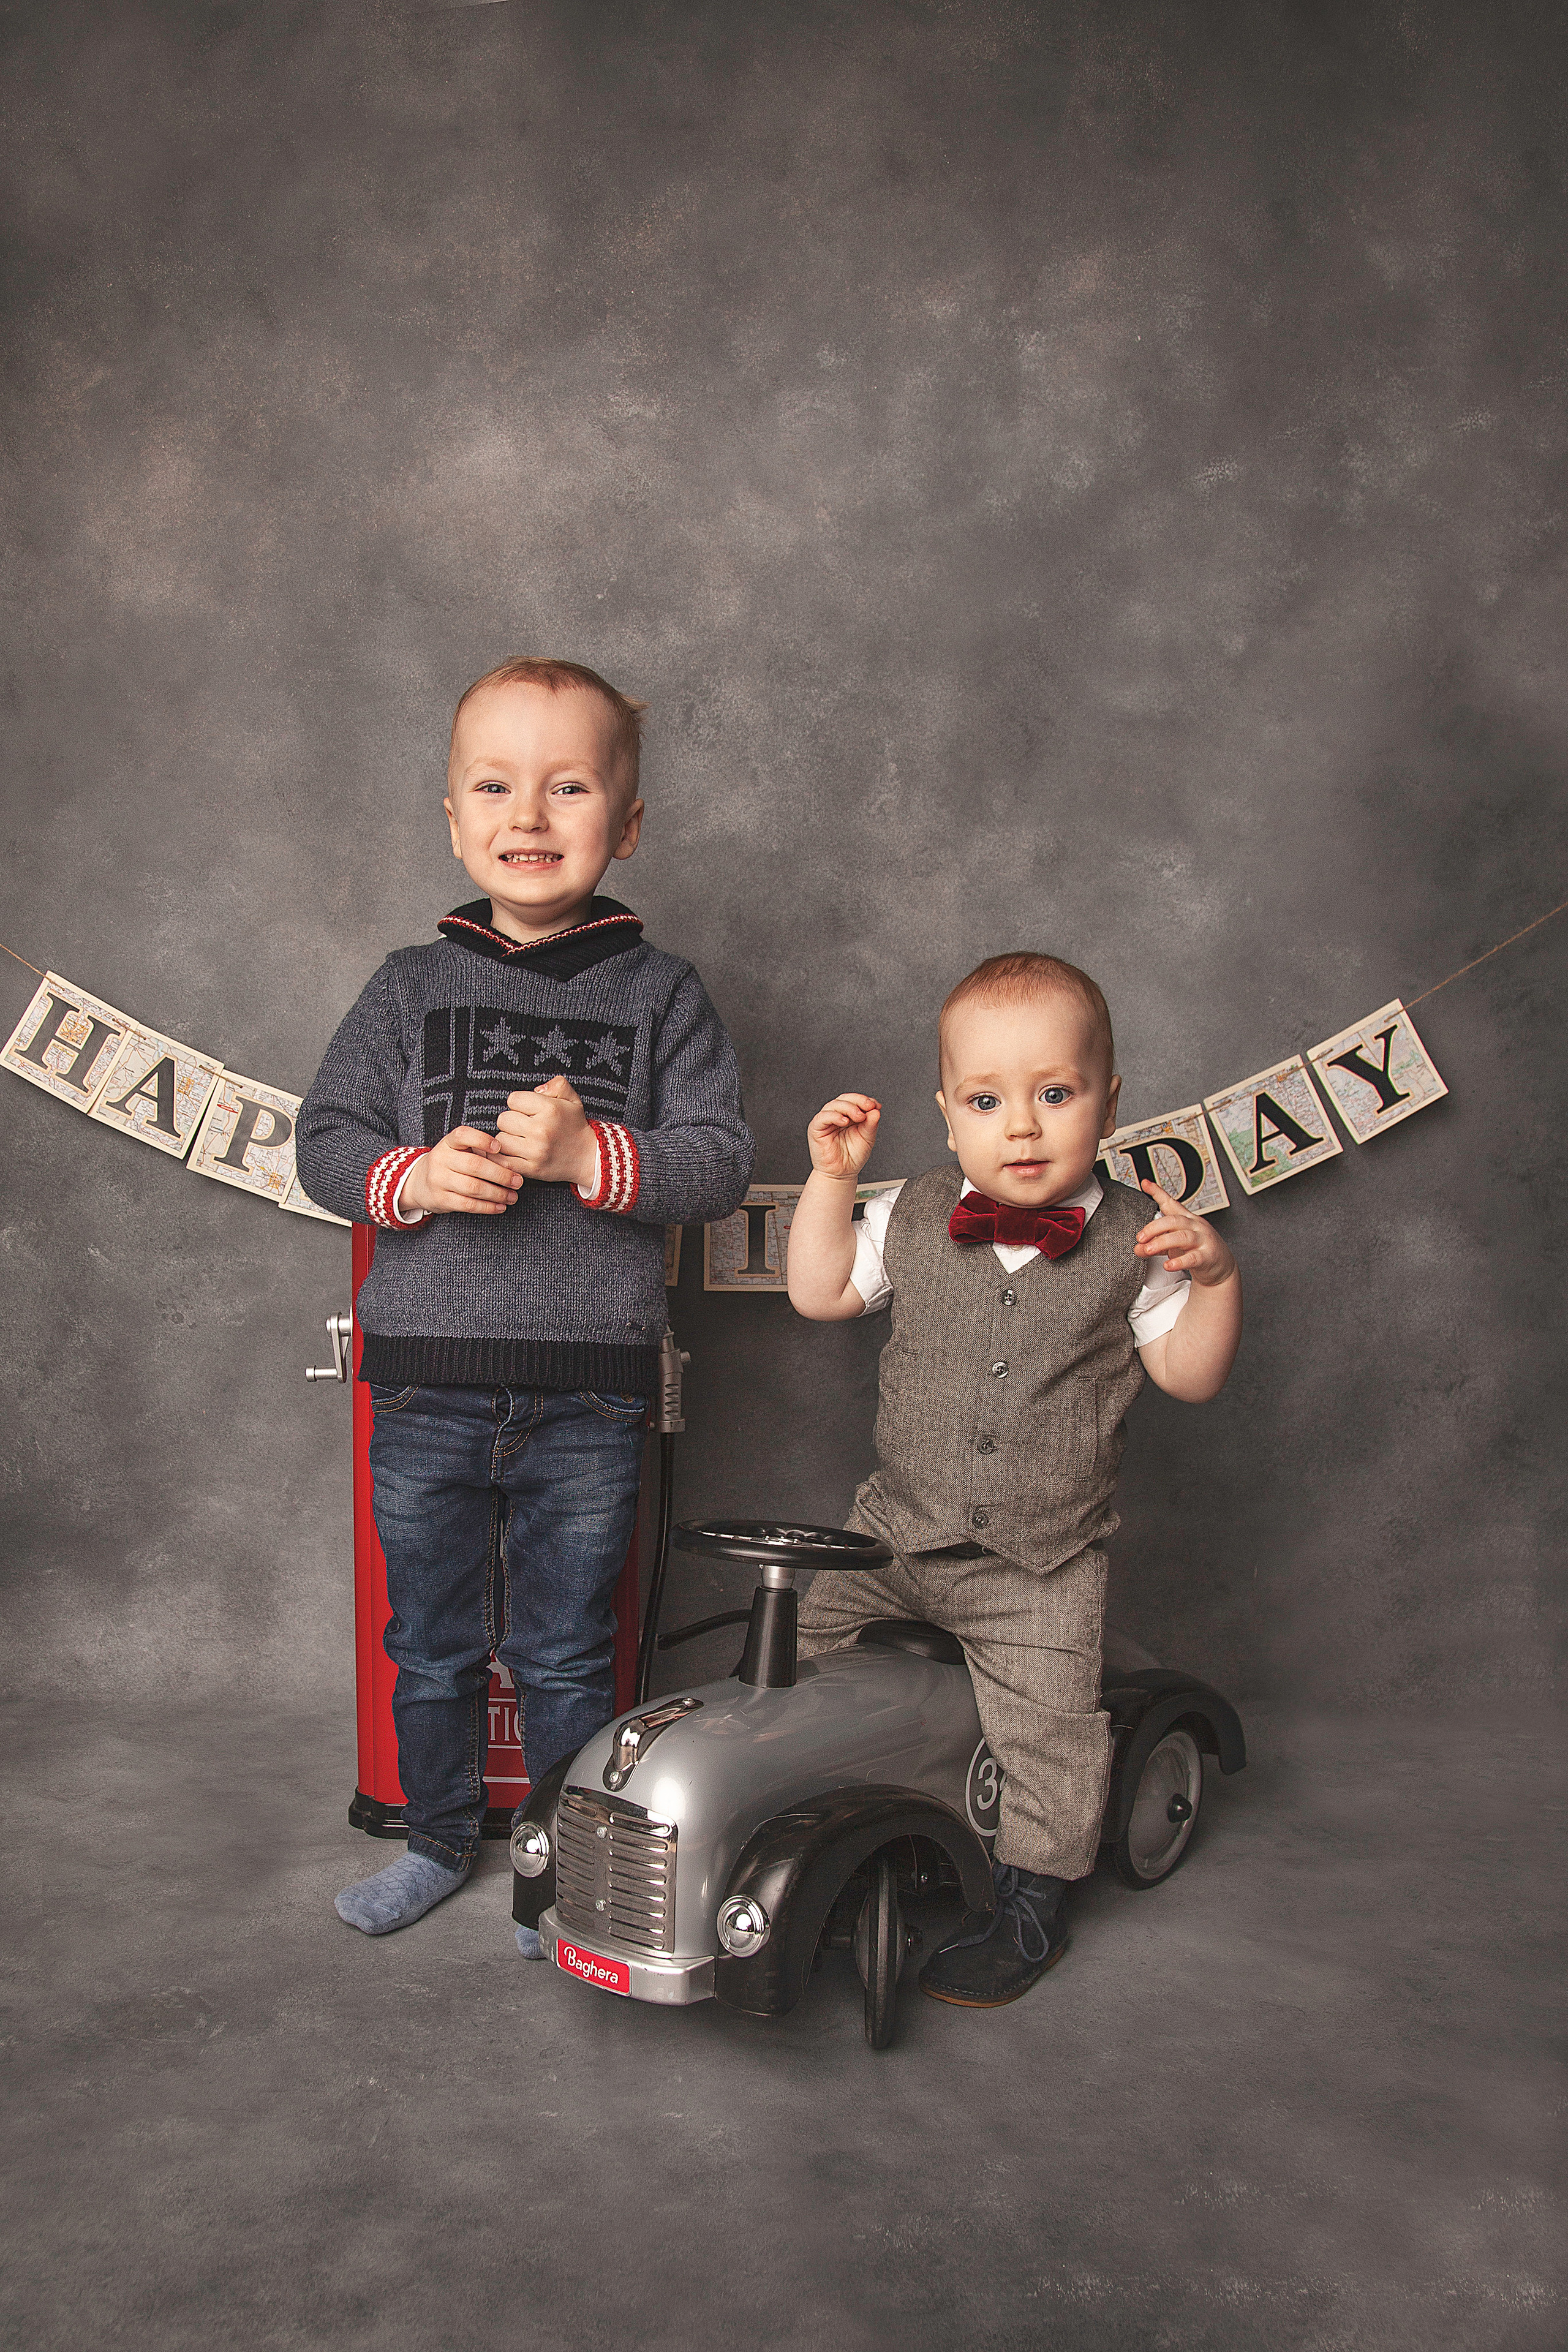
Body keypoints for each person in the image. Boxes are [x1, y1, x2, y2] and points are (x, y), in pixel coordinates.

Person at [296, 657, 753, 1942]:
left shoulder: (662, 995)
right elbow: (323, 1142)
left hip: (588, 1392)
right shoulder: (405, 987)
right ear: (452, 817)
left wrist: (586, 1158)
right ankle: (437, 1838)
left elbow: (715, 1164)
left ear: (627, 824)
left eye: (568, 787)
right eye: (495, 786)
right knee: (429, 1639)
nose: (529, 817)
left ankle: (555, 1868)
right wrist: (415, 1177)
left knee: (564, 1654)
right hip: (427, 1378)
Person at [785, 952, 1241, 2007]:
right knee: (795, 1671)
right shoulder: (909, 1210)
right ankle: (823, 1847)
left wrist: (1214, 1280)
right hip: (894, 1535)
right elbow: (817, 1292)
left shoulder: (1141, 1239)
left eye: (1055, 1094)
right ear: (947, 1117)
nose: (1023, 1129)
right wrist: (833, 1179)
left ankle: (1032, 1901)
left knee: (1047, 1726)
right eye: (988, 1101)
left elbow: (1191, 1375)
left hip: (1039, 1562)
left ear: (1110, 1101)